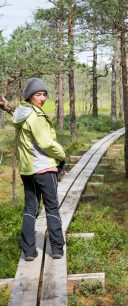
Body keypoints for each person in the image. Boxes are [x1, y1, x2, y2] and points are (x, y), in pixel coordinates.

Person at [12, 77, 66, 261]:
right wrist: (62, 154)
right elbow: (46, 143)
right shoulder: (35, 116)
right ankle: (57, 249)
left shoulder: (22, 113)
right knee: (52, 208)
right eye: (38, 94)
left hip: (28, 170)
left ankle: (28, 251)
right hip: (44, 168)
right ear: (30, 96)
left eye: (44, 94)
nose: (42, 98)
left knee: (30, 208)